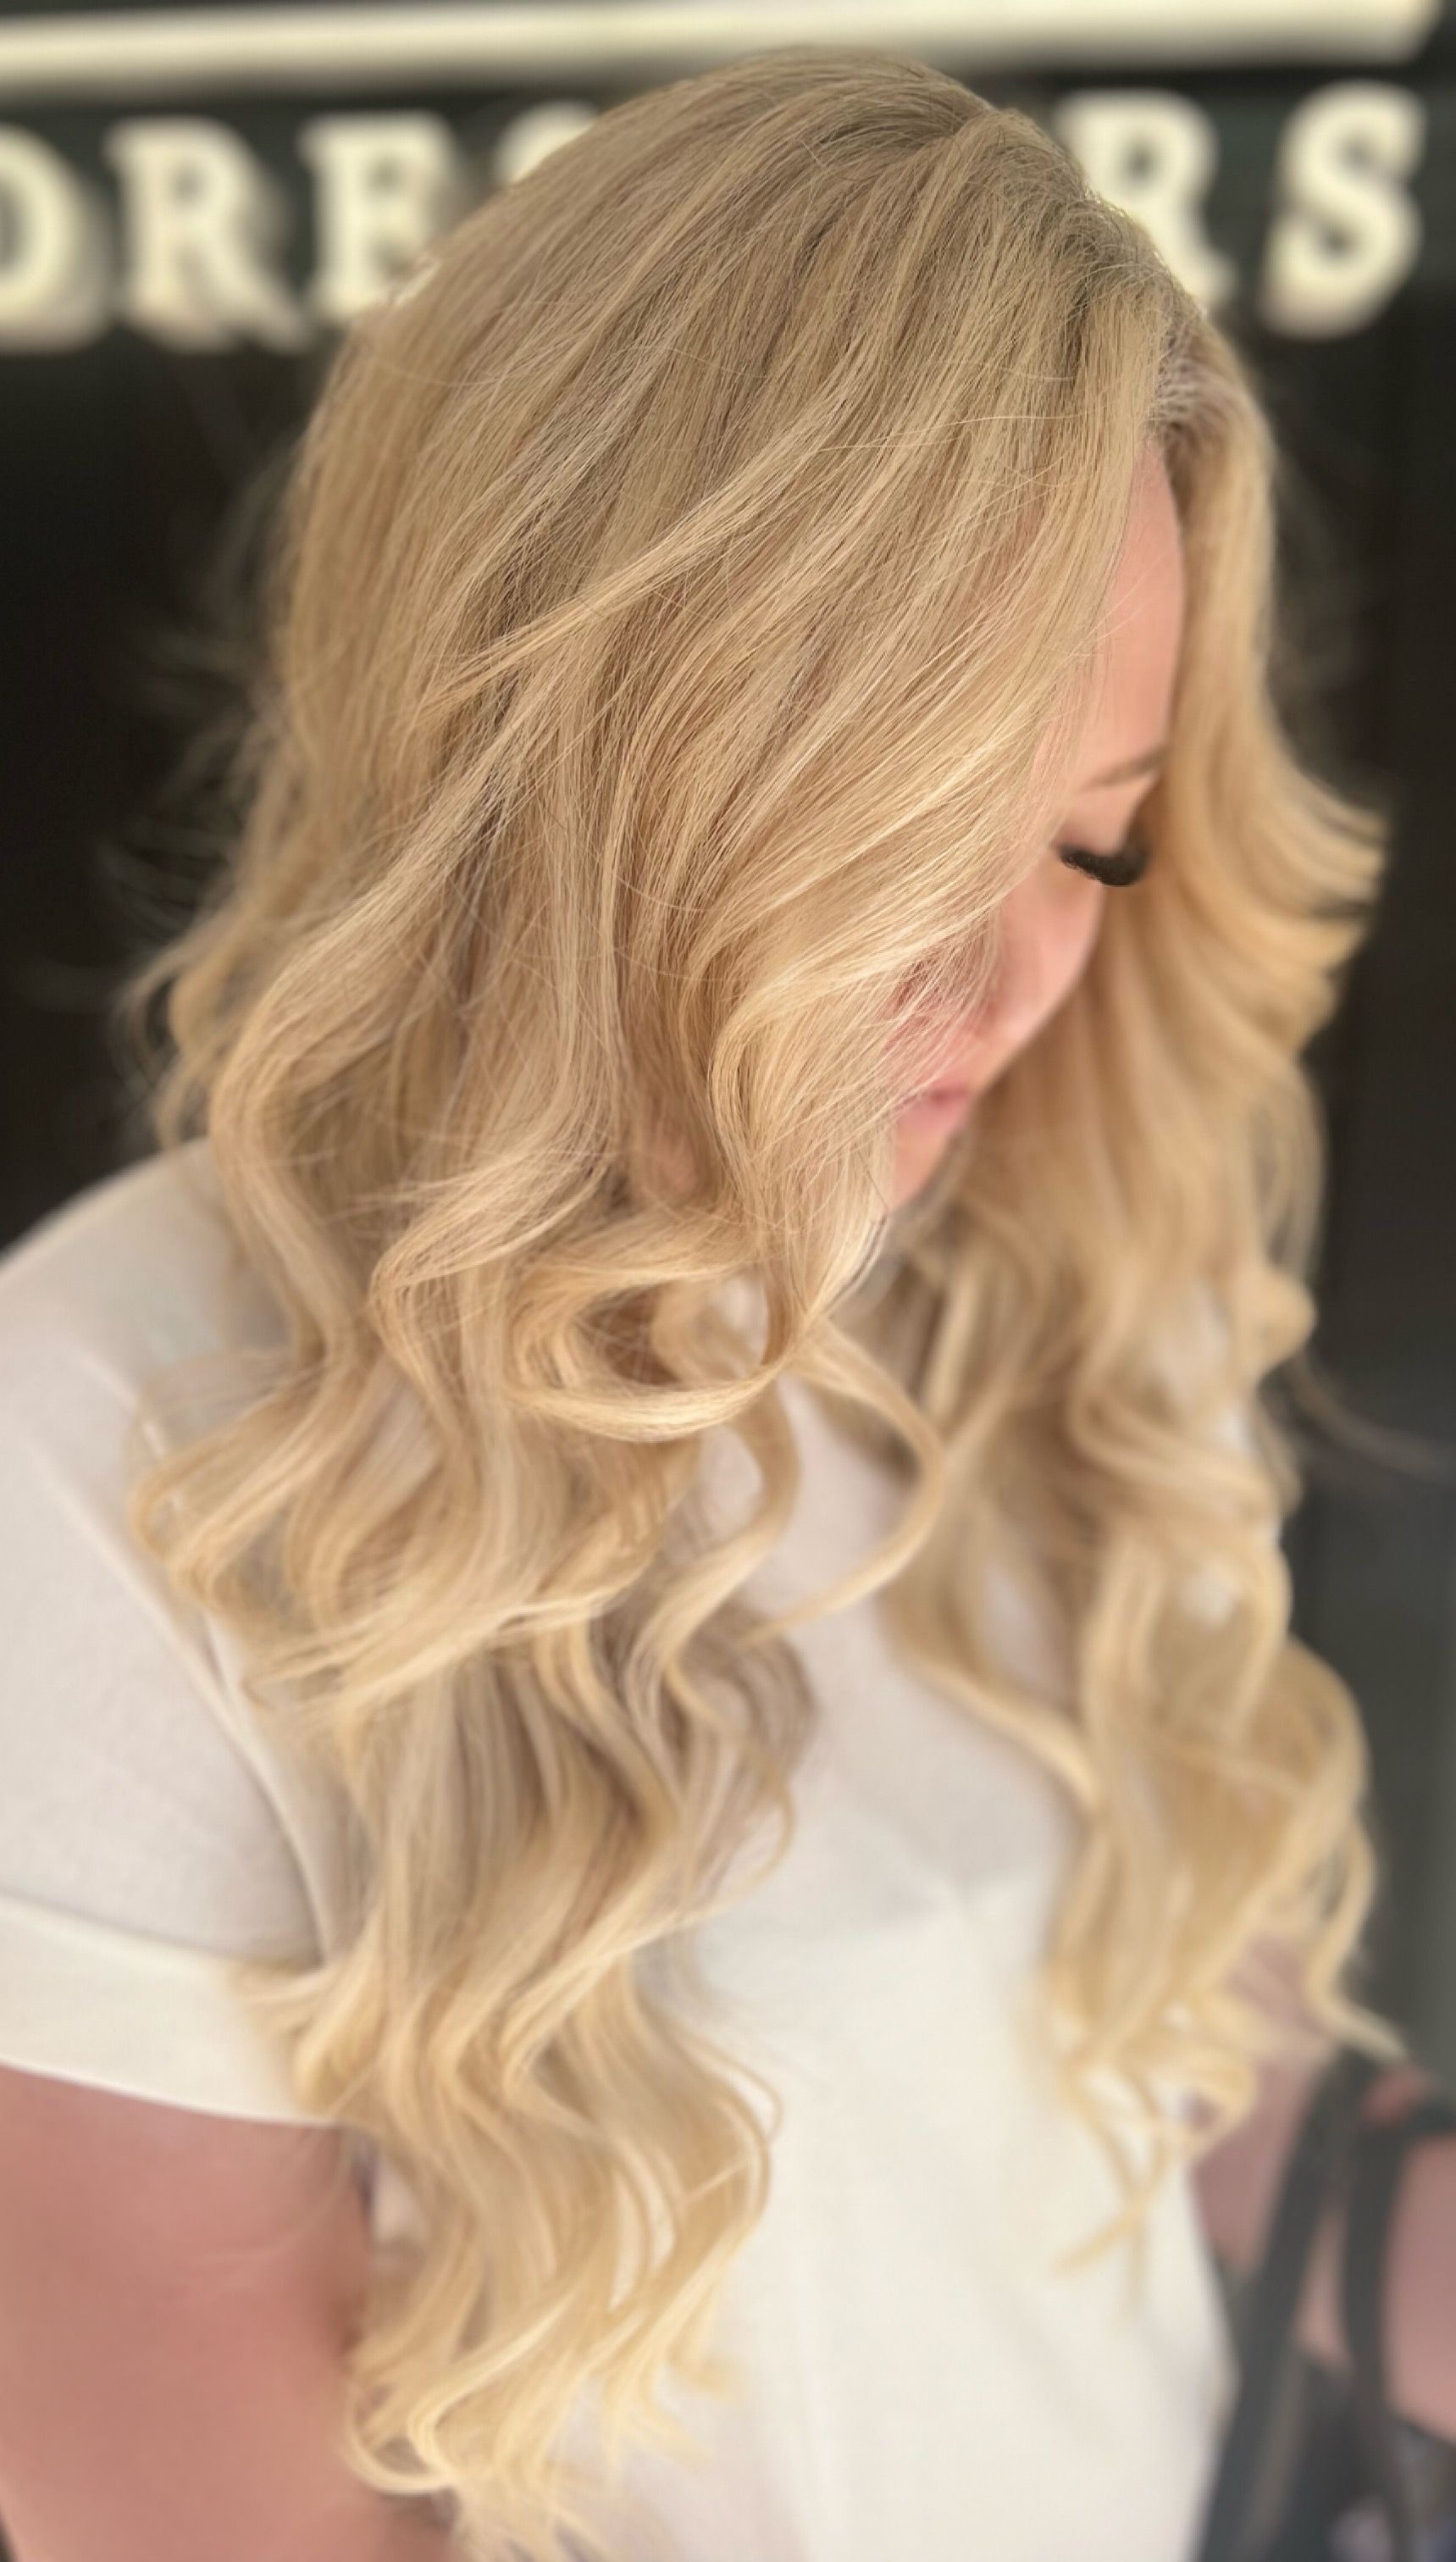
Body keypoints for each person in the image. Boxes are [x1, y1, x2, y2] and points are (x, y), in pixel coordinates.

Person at [0, 45, 1450, 2562]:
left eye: (1094, 842)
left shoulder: (1042, 1269)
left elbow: (1183, 2099)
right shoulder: (98, 1467)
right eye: (901, 842)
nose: (1015, 985)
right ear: (559, 759)